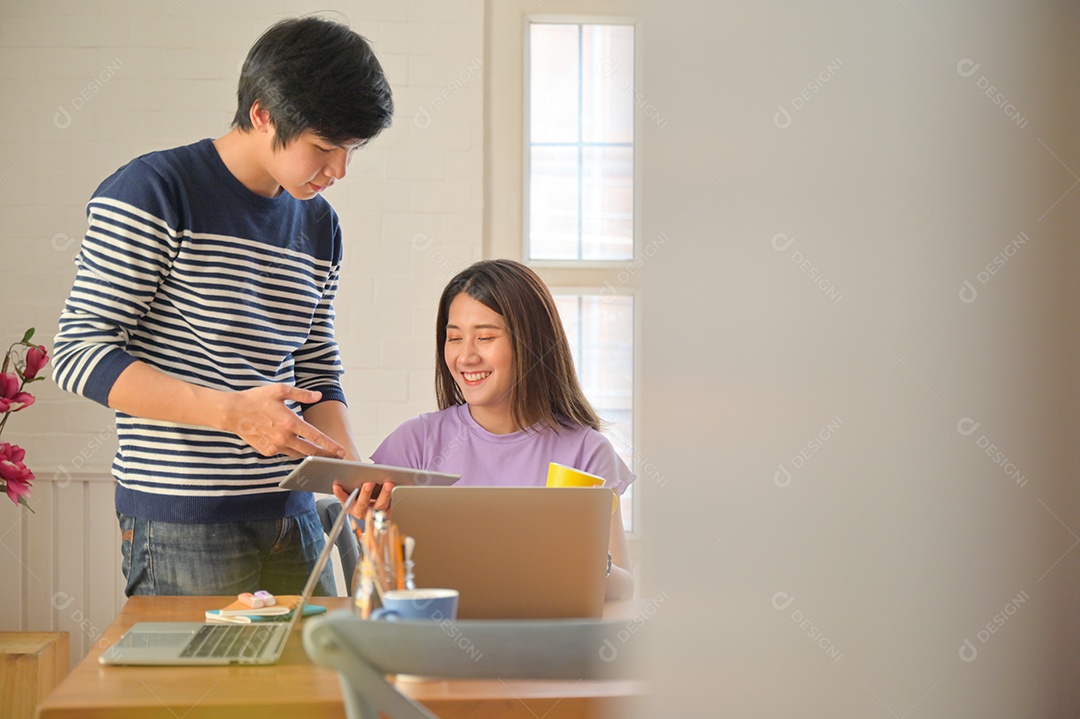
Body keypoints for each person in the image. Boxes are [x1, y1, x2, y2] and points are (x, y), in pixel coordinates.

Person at [50, 16, 394, 597]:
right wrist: (233, 413)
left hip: (295, 512)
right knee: (205, 688)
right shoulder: (154, 191)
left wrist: (349, 471)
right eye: (324, 147)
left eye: (351, 150)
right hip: (182, 520)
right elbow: (78, 353)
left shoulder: (319, 224)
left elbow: (314, 367)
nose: (338, 170)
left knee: (312, 684)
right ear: (262, 114)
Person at [336, 259, 636, 599]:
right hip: (435, 641)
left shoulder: (586, 451)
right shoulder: (415, 444)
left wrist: (587, 564)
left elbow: (624, 589)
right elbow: (377, 591)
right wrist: (374, 536)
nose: (465, 356)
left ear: (531, 343)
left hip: (544, 641)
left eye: (485, 337)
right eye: (454, 338)